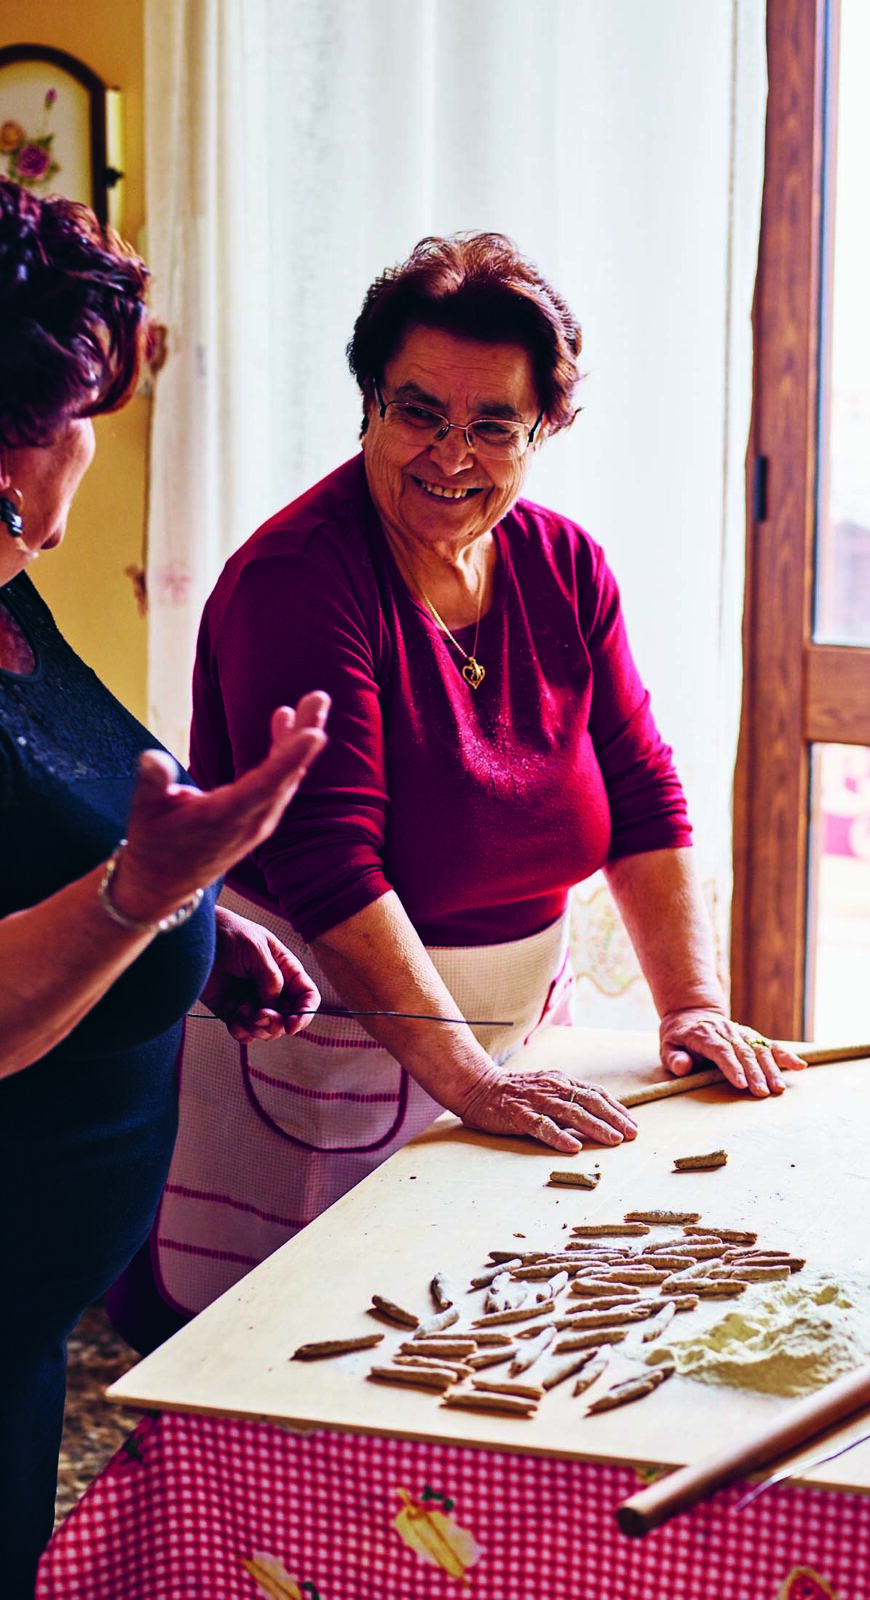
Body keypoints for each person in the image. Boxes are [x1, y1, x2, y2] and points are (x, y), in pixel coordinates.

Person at [125, 231, 799, 1336]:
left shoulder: (563, 563)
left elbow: (640, 789)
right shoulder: (300, 578)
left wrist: (692, 1008)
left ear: (544, 429)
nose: (451, 452)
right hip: (331, 1030)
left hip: (516, 1020)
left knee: (491, 1322)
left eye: (493, 423)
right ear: (369, 403)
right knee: (326, 1349)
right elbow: (326, 859)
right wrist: (469, 1081)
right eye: (417, 411)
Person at [0, 179, 330, 1592]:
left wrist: (204, 920)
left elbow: (49, 826)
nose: (90, 450)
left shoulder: (9, 591)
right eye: (83, 417)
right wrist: (144, 897)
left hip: (27, 1320)